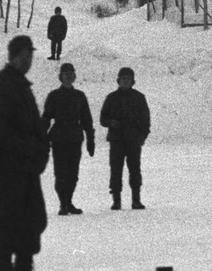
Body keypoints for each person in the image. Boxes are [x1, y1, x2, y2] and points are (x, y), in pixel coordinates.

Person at [0, 35, 55, 271]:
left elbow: (36, 128)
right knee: (9, 219)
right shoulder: (0, 85)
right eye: (23, 56)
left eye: (30, 56)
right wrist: (26, 149)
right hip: (9, 165)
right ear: (12, 56)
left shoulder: (22, 87)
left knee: (33, 219)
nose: (28, 61)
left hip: (28, 166)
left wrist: (41, 153)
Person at [42, 62, 95, 215]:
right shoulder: (54, 96)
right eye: (66, 74)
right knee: (60, 173)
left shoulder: (80, 96)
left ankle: (69, 202)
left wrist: (90, 139)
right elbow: (46, 118)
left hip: (75, 137)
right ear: (61, 77)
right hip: (58, 138)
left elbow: (87, 119)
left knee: (73, 173)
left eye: (71, 73)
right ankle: (63, 204)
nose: (69, 76)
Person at [99, 66, 151, 210]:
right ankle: (116, 200)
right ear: (118, 80)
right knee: (116, 170)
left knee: (134, 170)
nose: (126, 81)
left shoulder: (139, 98)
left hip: (133, 141)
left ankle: (136, 199)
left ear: (133, 81)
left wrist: (141, 137)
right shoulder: (111, 98)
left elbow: (146, 121)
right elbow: (103, 119)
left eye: (128, 79)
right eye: (123, 79)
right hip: (116, 141)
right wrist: (111, 122)